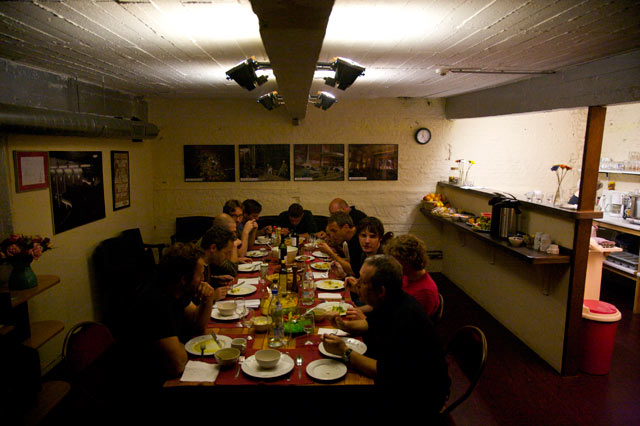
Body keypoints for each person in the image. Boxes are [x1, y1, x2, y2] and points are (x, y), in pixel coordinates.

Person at [321, 255, 450, 414]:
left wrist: (345, 351)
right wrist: (344, 325)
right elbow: (370, 325)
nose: (357, 283)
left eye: (363, 281)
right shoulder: (391, 300)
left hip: (418, 396)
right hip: (400, 376)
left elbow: (386, 372)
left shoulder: (406, 318)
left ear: (381, 290)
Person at [128, 243, 215, 385]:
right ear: (183, 279)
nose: (203, 279)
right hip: (149, 381)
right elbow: (178, 364)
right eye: (200, 274)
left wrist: (208, 299)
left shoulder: (177, 289)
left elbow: (197, 324)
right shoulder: (155, 300)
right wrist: (183, 344)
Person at [384, 234, 441, 317]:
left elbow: (408, 324)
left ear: (408, 261)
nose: (392, 264)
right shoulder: (406, 276)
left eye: (396, 260)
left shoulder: (425, 293)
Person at [316, 212, 362, 277]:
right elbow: (348, 257)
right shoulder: (349, 239)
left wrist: (331, 253)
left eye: (334, 231)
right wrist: (335, 246)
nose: (332, 235)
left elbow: (353, 270)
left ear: (346, 227)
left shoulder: (359, 240)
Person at [200, 224, 236, 293]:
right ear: (213, 248)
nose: (227, 258)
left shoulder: (207, 262)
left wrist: (215, 279)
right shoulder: (195, 266)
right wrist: (213, 297)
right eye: (226, 253)